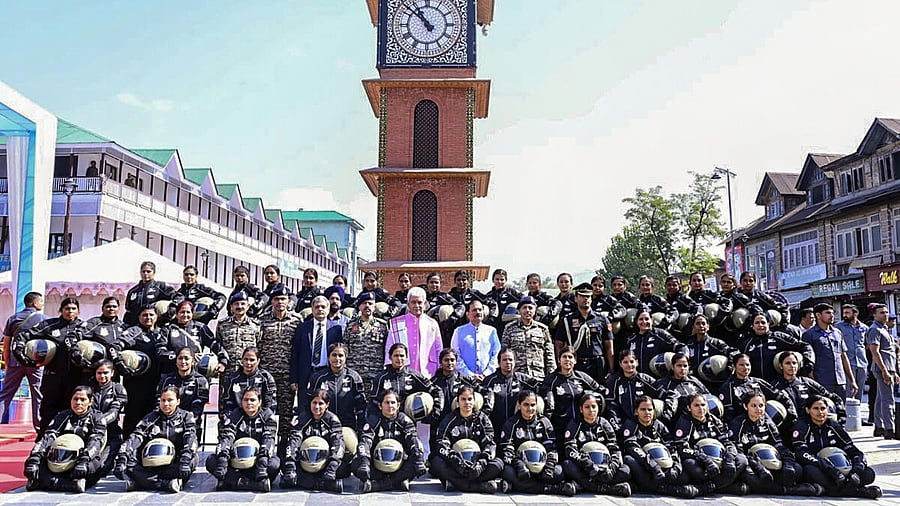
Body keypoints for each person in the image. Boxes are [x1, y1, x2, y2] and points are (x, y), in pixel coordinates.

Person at [729, 390, 822, 496]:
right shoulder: (738, 423)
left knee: (797, 469)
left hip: (771, 462)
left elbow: (779, 444)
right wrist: (759, 467)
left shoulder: (768, 422)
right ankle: (789, 490)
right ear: (746, 407)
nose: (758, 409)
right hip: (752, 464)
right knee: (746, 472)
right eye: (753, 406)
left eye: (761, 405)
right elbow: (738, 451)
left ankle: (769, 487)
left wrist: (788, 464)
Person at [12, 297, 84, 433]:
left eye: (73, 309)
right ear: (61, 310)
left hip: (75, 379)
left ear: (78, 311)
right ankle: (43, 442)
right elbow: (23, 336)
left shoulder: (84, 328)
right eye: (67, 308)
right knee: (48, 411)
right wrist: (22, 356)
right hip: (52, 378)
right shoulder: (49, 325)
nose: (70, 311)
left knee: (73, 413)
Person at [792, 395, 882, 498]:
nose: (820, 412)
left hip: (839, 468)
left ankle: (836, 490)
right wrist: (831, 470)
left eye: (823, 409)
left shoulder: (833, 425)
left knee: (869, 473)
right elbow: (801, 452)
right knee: (810, 471)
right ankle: (856, 492)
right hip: (819, 467)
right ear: (808, 410)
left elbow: (853, 450)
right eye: (816, 409)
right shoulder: (802, 425)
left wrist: (856, 472)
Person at [114, 386, 198, 492]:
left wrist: (186, 458)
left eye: (170, 400)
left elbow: (191, 438)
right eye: (163, 400)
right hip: (151, 464)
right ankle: (166, 484)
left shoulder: (186, 417)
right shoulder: (152, 417)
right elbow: (136, 436)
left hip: (175, 464)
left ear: (178, 401)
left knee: (191, 461)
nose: (166, 404)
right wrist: (122, 457)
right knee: (129, 465)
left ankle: (142, 482)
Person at [24, 386, 106, 493]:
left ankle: (44, 482)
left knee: (89, 469)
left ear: (90, 402)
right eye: (75, 399)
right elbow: (48, 436)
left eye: (83, 399)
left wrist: (84, 460)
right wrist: (35, 457)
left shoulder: (97, 417)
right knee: (30, 465)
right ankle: (70, 485)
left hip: (83, 459)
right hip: (57, 459)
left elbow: (96, 441)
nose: (78, 403)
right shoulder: (63, 415)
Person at [498, 390, 576, 496]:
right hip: (521, 468)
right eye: (526, 405)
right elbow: (507, 450)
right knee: (506, 471)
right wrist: (519, 465)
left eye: (532, 405)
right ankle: (554, 489)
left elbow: (551, 449)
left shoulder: (545, 422)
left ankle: (519, 486)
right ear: (519, 405)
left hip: (542, 466)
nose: (529, 409)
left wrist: (549, 466)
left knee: (559, 472)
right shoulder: (511, 423)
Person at [370, 343, 444, 455]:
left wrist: (436, 410)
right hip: (387, 422)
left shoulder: (413, 375)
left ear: (406, 357)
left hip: (409, 423)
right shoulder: (381, 378)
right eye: (396, 355)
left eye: (402, 356)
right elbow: (373, 402)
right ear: (390, 357)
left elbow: (435, 390)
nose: (399, 359)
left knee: (412, 451)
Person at [431, 385, 504, 494]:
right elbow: (441, 443)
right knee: (436, 463)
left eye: (470, 399)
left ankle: (456, 483)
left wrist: (481, 463)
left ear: (474, 401)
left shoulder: (483, 418)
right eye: (463, 399)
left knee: (498, 464)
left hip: (478, 465)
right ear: (458, 401)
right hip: (456, 465)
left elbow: (490, 443)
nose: (467, 402)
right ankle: (479, 486)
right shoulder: (449, 419)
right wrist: (456, 462)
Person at [672, 392, 748, 495]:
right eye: (696, 405)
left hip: (719, 458)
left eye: (703, 405)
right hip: (700, 461)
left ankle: (710, 488)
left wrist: (729, 459)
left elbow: (728, 442)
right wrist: (705, 460)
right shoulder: (685, 421)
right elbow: (681, 448)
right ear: (689, 408)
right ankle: (724, 487)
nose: (701, 408)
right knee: (690, 464)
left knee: (742, 460)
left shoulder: (714, 420)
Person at [620, 395, 698, 498]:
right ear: (636, 411)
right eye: (643, 409)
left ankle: (661, 487)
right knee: (629, 460)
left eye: (650, 409)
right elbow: (631, 447)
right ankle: (670, 489)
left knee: (684, 477)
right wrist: (653, 467)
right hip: (645, 466)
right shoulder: (630, 425)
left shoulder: (659, 425)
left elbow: (671, 446)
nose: (647, 413)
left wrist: (675, 466)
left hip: (663, 465)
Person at [206, 386, 279, 492]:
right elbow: (226, 436)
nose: (249, 403)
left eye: (252, 400)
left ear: (260, 402)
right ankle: (252, 484)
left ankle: (232, 482)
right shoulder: (235, 414)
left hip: (257, 463)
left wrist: (262, 461)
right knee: (211, 461)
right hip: (236, 462)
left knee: (274, 465)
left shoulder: (267, 415)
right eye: (245, 400)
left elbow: (269, 439)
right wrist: (222, 458)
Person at [354, 389, 426, 493]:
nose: (390, 406)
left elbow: (414, 439)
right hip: (378, 465)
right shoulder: (373, 420)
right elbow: (364, 441)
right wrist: (364, 462)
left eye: (393, 403)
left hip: (399, 465)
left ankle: (378, 485)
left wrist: (419, 458)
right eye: (386, 402)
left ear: (398, 405)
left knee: (416, 463)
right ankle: (397, 482)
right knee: (356, 464)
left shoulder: (405, 420)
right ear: (380, 406)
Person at [560, 392, 631, 496]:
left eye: (594, 406)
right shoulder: (574, 424)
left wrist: (612, 468)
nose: (591, 410)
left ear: (598, 408)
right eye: (587, 407)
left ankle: (584, 486)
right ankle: (608, 488)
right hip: (585, 468)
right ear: (581, 409)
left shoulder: (604, 423)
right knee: (567, 464)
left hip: (604, 467)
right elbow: (569, 449)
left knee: (626, 470)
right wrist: (586, 464)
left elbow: (614, 448)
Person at [257, 285, 302, 448]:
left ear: (288, 301)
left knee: (286, 413)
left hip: (286, 374)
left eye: (283, 299)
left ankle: (283, 446)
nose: (280, 302)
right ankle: (263, 444)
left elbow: (299, 349)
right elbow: (258, 345)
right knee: (264, 410)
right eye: (276, 299)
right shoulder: (262, 320)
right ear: (272, 300)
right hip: (266, 374)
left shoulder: (296, 320)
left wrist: (295, 376)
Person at [281, 388, 347, 492]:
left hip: (325, 462)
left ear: (327, 405)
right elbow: (294, 441)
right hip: (304, 462)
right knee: (285, 467)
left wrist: (332, 465)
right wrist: (290, 464)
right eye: (314, 403)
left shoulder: (333, 420)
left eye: (321, 403)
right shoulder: (302, 418)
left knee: (344, 469)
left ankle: (303, 482)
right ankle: (323, 484)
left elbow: (338, 442)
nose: (317, 407)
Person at [771, 351, 844, 443]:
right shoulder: (773, 386)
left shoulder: (807, 383)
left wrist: (841, 419)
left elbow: (833, 398)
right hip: (786, 432)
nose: (792, 366)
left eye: (794, 363)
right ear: (781, 366)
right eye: (787, 363)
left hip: (809, 430)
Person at [0, 291, 46, 430]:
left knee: (5, 395)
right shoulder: (44, 319)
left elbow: (6, 344)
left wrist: (7, 362)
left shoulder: (13, 318)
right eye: (41, 301)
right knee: (38, 394)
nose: (42, 304)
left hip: (15, 361)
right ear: (34, 303)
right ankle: (39, 427)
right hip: (36, 362)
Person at [554, 283, 614, 381]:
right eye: (582, 296)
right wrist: (560, 366)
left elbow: (609, 346)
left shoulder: (602, 319)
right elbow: (558, 344)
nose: (585, 299)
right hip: (577, 364)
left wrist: (611, 369)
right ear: (576, 298)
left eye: (588, 296)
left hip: (598, 365)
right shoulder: (567, 320)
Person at [119, 305, 164, 435]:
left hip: (157, 384)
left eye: (151, 315)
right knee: (133, 417)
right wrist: (122, 366)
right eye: (144, 315)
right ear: (139, 317)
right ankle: (127, 450)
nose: (148, 318)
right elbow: (115, 347)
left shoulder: (162, 333)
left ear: (157, 317)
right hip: (136, 385)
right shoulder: (134, 332)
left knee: (153, 419)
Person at [542, 346, 604, 440]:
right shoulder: (551, 380)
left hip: (580, 427)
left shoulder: (581, 377)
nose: (567, 360)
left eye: (570, 357)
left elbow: (600, 391)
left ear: (575, 360)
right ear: (559, 360)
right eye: (564, 357)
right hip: (560, 427)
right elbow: (547, 406)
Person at [290, 296, 342, 404]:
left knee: (325, 404)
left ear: (328, 309)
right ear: (312, 309)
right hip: (306, 374)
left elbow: (340, 353)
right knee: (304, 406)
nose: (320, 309)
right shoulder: (302, 328)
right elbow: (295, 354)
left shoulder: (336, 329)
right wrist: (294, 378)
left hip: (327, 372)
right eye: (317, 307)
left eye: (323, 307)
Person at [718, 353, 796, 425]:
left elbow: (780, 396)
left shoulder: (757, 382)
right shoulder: (727, 387)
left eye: (747, 365)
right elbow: (728, 414)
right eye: (741, 365)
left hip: (764, 423)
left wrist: (792, 415)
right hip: (743, 426)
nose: (745, 368)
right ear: (734, 367)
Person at [307, 343, 367, 437]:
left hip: (347, 427)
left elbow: (361, 406)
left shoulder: (354, 377)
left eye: (340, 355)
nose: (337, 358)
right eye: (334, 355)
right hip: (323, 426)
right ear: (328, 357)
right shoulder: (318, 377)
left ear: (345, 357)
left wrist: (360, 428)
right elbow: (309, 403)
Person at [801, 303, 856, 402]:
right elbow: (807, 360)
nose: (831, 316)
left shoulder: (837, 333)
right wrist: (812, 381)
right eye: (827, 313)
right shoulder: (809, 335)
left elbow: (843, 356)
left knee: (842, 411)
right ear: (818, 315)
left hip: (840, 380)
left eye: (832, 313)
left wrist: (852, 380)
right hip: (821, 381)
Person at [737, 312, 813, 383]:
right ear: (752, 326)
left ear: (768, 324)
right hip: (757, 384)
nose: (760, 325)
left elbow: (805, 346)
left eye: (763, 322)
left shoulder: (779, 337)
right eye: (757, 323)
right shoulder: (746, 344)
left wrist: (808, 365)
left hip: (780, 384)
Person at [482, 348, 541, 439]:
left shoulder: (523, 379)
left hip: (516, 430)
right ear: (499, 362)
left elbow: (542, 388)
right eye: (504, 360)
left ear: (515, 362)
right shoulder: (489, 381)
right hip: (495, 428)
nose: (508, 362)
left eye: (510, 359)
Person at [606, 349, 673, 429]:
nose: (629, 365)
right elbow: (611, 405)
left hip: (646, 424)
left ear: (637, 362)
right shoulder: (614, 381)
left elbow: (669, 394)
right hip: (626, 425)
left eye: (631, 361)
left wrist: (667, 414)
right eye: (625, 362)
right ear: (620, 364)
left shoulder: (645, 379)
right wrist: (617, 425)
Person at [158, 300, 227, 377]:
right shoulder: (167, 329)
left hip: (196, 375)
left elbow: (215, 345)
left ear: (192, 314)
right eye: (182, 312)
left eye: (188, 312)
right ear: (176, 314)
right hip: (171, 374)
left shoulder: (201, 328)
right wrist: (182, 356)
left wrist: (223, 361)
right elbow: (160, 352)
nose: (185, 315)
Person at [68, 296, 128, 384]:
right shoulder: (94, 323)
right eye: (108, 306)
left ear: (119, 308)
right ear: (102, 308)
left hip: (114, 372)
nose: (111, 309)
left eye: (114, 306)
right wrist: (75, 352)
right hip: (94, 372)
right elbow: (73, 337)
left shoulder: (123, 326)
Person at [385, 286, 443, 377]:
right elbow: (389, 347)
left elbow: (438, 348)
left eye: (419, 302)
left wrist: (440, 369)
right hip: (402, 372)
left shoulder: (432, 323)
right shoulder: (397, 323)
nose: (417, 306)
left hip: (428, 371)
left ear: (425, 303)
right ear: (408, 304)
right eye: (413, 302)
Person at [342, 292, 389, 395]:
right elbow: (345, 348)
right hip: (354, 373)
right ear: (359, 306)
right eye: (364, 303)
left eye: (370, 303)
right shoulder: (350, 326)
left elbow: (387, 349)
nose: (367, 306)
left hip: (375, 373)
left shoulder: (383, 326)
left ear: (374, 306)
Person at [501, 295, 556, 381]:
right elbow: (504, 352)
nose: (527, 310)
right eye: (524, 308)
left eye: (530, 308)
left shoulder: (543, 329)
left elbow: (549, 355)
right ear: (519, 310)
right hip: (517, 376)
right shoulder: (509, 328)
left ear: (535, 311)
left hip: (538, 376)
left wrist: (552, 376)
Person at [865, 303, 898, 439]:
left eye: (886, 312)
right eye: (881, 313)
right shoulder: (874, 329)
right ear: (874, 314)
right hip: (882, 368)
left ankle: (879, 427)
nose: (885, 315)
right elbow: (875, 351)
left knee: (880, 399)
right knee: (887, 400)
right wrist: (884, 371)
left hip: (889, 367)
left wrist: (894, 371)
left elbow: (889, 352)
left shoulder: (884, 329)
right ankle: (889, 429)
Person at [623, 306, 687, 376]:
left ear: (652, 320)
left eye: (647, 319)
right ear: (636, 321)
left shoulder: (660, 334)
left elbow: (681, 346)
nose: (644, 322)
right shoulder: (631, 340)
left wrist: (681, 360)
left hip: (658, 381)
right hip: (638, 381)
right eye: (641, 319)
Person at [89, 360, 127, 476]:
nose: (102, 376)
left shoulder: (118, 389)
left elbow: (114, 412)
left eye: (106, 372)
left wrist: (99, 421)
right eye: (99, 373)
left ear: (112, 373)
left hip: (111, 435)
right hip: (92, 434)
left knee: (100, 469)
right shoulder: (89, 390)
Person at [219, 346, 277, 419]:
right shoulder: (232, 379)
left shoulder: (266, 378)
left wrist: (266, 419)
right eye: (246, 359)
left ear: (258, 361)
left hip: (260, 419)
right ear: (242, 360)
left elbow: (270, 404)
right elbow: (227, 403)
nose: (248, 363)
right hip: (237, 419)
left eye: (252, 360)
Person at [686, 314, 738, 391]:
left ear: (708, 326)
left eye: (703, 323)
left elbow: (734, 352)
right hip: (695, 385)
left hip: (715, 385)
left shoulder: (716, 343)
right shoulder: (688, 345)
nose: (701, 326)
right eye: (697, 323)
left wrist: (728, 368)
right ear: (693, 327)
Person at [450, 300, 500, 381]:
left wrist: (486, 374)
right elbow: (455, 355)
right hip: (464, 379)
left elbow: (496, 354)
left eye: (480, 310)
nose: (478, 312)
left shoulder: (492, 331)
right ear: (467, 314)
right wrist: (469, 374)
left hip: (488, 378)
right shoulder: (458, 331)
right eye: (474, 310)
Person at [156, 348, 210, 424]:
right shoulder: (166, 379)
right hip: (167, 423)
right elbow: (159, 403)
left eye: (186, 358)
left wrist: (185, 421)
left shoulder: (201, 381)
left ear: (193, 362)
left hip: (190, 423)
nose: (183, 362)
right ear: (176, 361)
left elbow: (198, 407)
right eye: (180, 358)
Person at [654, 352, 709, 419]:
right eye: (679, 365)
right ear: (672, 367)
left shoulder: (694, 381)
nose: (683, 368)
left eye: (685, 366)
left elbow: (708, 397)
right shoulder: (663, 384)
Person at [215, 292, 259, 375]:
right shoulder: (222, 324)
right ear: (231, 307)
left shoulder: (256, 325)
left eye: (243, 304)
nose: (239, 307)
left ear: (248, 306)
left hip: (248, 372)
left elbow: (259, 346)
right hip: (227, 372)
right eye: (236, 304)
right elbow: (218, 346)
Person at [123, 261, 176, 326]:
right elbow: (128, 311)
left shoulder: (160, 286)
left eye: (148, 271)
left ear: (154, 273)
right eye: (143, 271)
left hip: (155, 327)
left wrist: (171, 311)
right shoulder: (133, 291)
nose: (145, 274)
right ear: (140, 272)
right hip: (136, 328)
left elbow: (179, 297)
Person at [835, 304, 868, 403]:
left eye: (847, 313)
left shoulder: (864, 328)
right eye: (844, 313)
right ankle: (847, 414)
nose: (844, 315)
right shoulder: (838, 327)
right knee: (848, 391)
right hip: (847, 363)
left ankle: (858, 413)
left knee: (860, 391)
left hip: (862, 363)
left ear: (855, 313)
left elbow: (866, 345)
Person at [424, 272, 464, 345]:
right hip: (425, 330)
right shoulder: (422, 297)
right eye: (431, 282)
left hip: (442, 331)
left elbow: (460, 306)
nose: (434, 285)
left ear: (440, 284)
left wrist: (453, 317)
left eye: (436, 282)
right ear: (427, 284)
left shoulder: (444, 296)